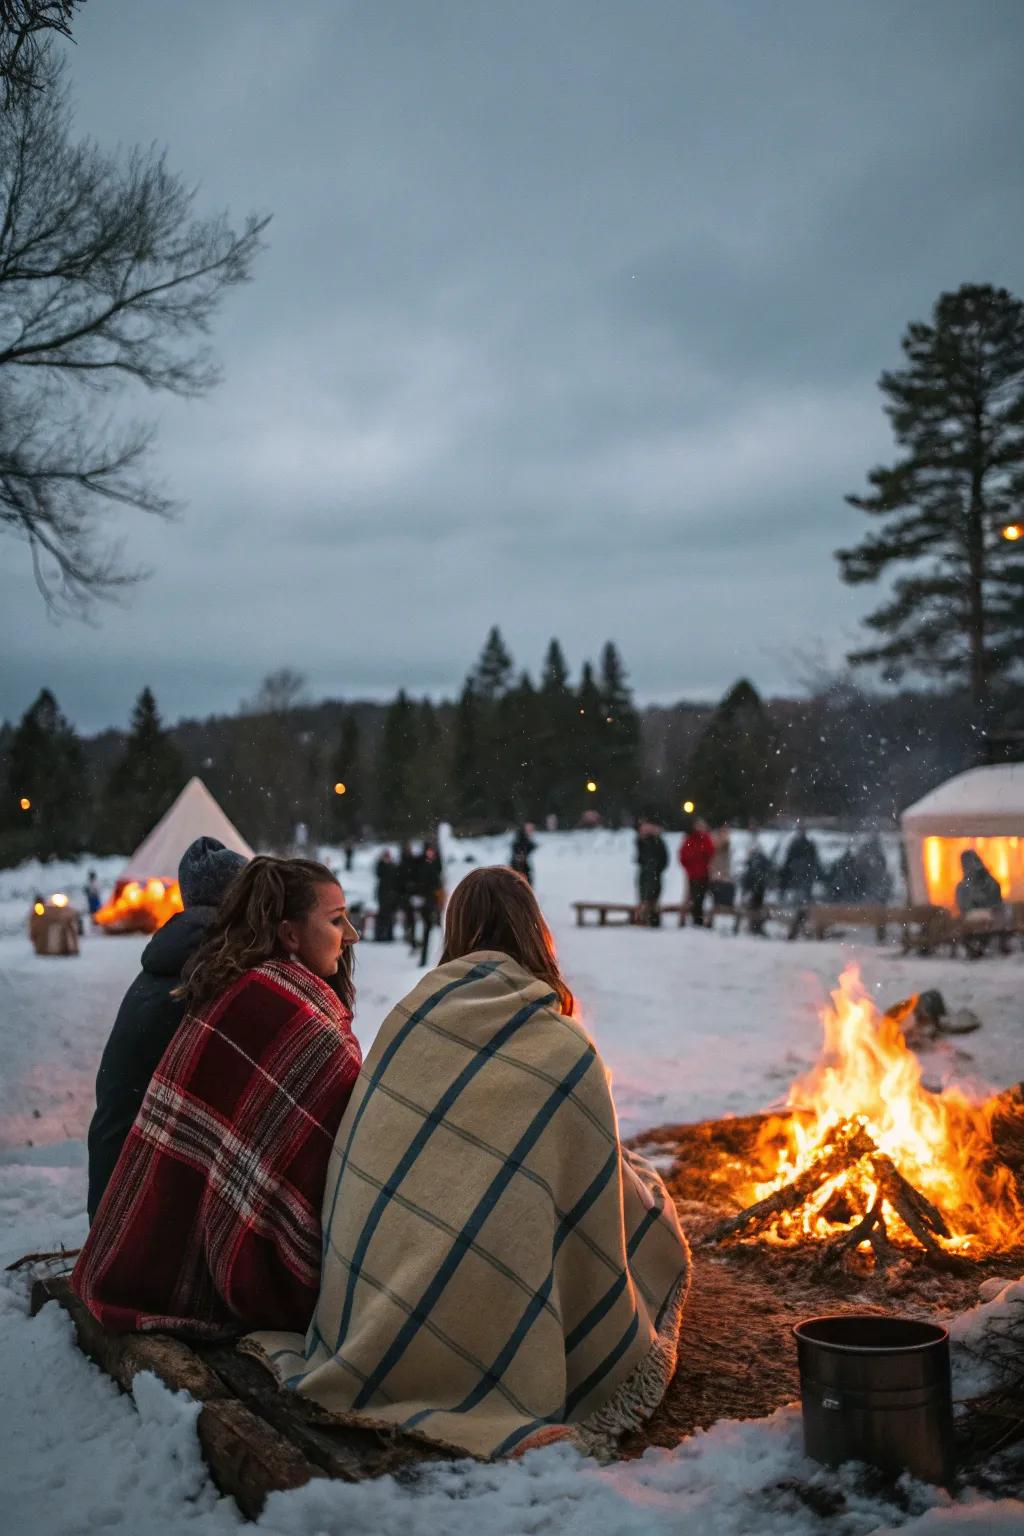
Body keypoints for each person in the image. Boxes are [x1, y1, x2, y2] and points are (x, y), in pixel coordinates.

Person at [249, 866, 690, 1460]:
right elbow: (593, 1210)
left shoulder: (407, 1022)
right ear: (536, 934)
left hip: (371, 1317)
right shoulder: (564, 1047)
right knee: (644, 1210)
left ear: (453, 931)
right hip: (500, 1319)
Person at [72, 857, 362, 1337]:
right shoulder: (280, 1009)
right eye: (336, 921)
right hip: (170, 1252)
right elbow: (349, 1137)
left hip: (134, 1222)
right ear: (288, 934)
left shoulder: (232, 977)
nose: (350, 935)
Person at [85, 836, 248, 1221]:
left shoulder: (178, 955)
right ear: (237, 901)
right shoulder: (203, 973)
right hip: (133, 1208)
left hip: (116, 1184)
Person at [955, 850, 1004, 958]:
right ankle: (976, 947)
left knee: (966, 927)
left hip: (985, 913)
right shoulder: (968, 882)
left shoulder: (983, 881)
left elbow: (991, 898)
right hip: (984, 913)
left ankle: (977, 947)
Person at [412, 840, 445, 966]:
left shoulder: (437, 865)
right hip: (425, 901)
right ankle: (423, 958)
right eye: (428, 851)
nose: (430, 853)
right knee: (425, 929)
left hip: (435, 901)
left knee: (436, 930)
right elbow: (419, 881)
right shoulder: (421, 865)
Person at [679, 818, 715, 926]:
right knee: (694, 897)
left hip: (704, 874)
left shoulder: (707, 839)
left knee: (701, 897)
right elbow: (683, 855)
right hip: (693, 874)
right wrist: (689, 868)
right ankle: (695, 919)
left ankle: (698, 919)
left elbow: (711, 854)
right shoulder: (690, 839)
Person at [635, 819, 669, 926]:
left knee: (652, 898)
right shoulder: (642, 841)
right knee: (645, 897)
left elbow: (664, 859)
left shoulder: (657, 841)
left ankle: (652, 920)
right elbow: (640, 858)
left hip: (654, 873)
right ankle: (644, 919)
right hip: (646, 873)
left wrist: (657, 869)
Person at [779, 828, 821, 906]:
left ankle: (804, 898)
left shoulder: (807, 844)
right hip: (797, 868)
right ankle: (800, 898)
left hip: (803, 868)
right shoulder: (797, 843)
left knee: (804, 882)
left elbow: (813, 857)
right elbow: (790, 857)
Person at [741, 836, 773, 934]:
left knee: (755, 908)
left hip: (757, 887)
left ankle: (755, 926)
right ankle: (755, 926)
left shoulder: (756, 859)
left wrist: (747, 887)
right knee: (756, 907)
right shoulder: (758, 859)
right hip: (758, 888)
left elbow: (751, 875)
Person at [373, 848, 400, 941]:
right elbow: (378, 873)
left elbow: (396, 880)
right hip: (383, 894)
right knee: (382, 916)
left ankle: (389, 935)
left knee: (390, 917)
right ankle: (379, 936)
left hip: (391, 895)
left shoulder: (393, 866)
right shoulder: (381, 866)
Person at [709, 826, 735, 912]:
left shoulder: (727, 849)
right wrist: (716, 874)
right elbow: (712, 864)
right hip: (714, 877)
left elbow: (727, 865)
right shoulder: (714, 847)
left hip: (723, 876)